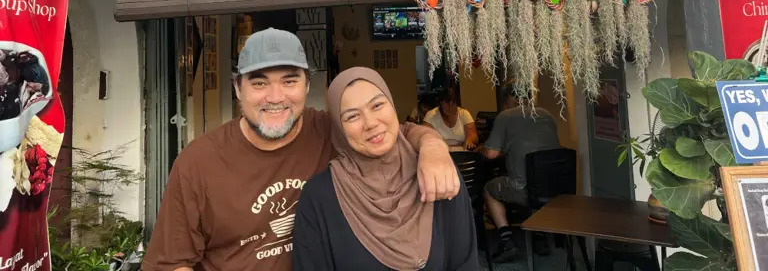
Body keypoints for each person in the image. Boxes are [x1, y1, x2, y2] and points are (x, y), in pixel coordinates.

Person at [141, 28, 459, 271]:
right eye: (259, 82)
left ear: (307, 85)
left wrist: (433, 147)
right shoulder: (199, 163)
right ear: (238, 88)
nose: (275, 97)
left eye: (289, 81)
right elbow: (170, 264)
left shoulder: (329, 130)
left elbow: (391, 132)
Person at [292, 67, 479, 271]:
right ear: (339, 129)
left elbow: (464, 263)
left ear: (392, 106)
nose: (371, 123)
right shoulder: (319, 197)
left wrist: (432, 143)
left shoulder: (438, 172)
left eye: (378, 105)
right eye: (352, 116)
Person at [478, 82, 560, 263]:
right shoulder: (548, 115)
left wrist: (482, 148)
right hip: (554, 189)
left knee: (489, 189)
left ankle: (507, 240)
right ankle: (539, 235)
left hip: (522, 190)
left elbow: (491, 154)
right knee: (534, 184)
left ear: (507, 99)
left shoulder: (505, 116)